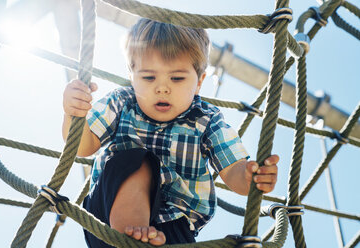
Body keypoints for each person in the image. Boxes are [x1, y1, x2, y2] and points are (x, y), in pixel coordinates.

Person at [62, 18, 279, 247]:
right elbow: (82, 147)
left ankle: (145, 238)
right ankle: (131, 237)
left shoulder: (205, 119)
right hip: (109, 216)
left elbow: (233, 170)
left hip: (174, 229)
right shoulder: (122, 102)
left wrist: (250, 177)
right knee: (139, 160)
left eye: (177, 78)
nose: (162, 88)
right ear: (132, 76)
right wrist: (73, 114)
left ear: (199, 82)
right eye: (148, 77)